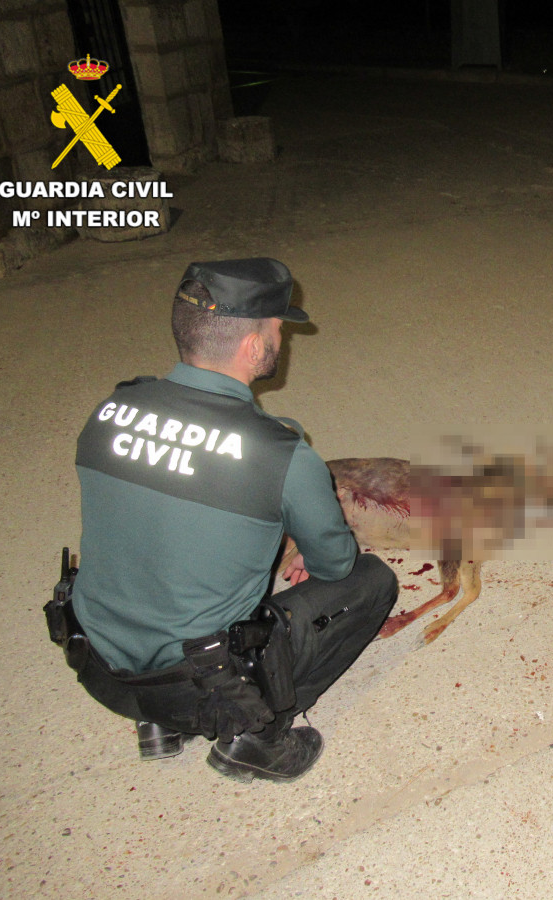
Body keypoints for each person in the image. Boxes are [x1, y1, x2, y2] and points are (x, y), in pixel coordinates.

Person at [68, 257, 398, 782]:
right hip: (201, 683)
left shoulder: (110, 411)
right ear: (251, 346)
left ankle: (155, 724)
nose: (281, 339)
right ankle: (255, 737)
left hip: (99, 662)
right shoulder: (281, 455)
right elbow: (335, 565)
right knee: (372, 581)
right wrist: (302, 538)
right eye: (276, 328)